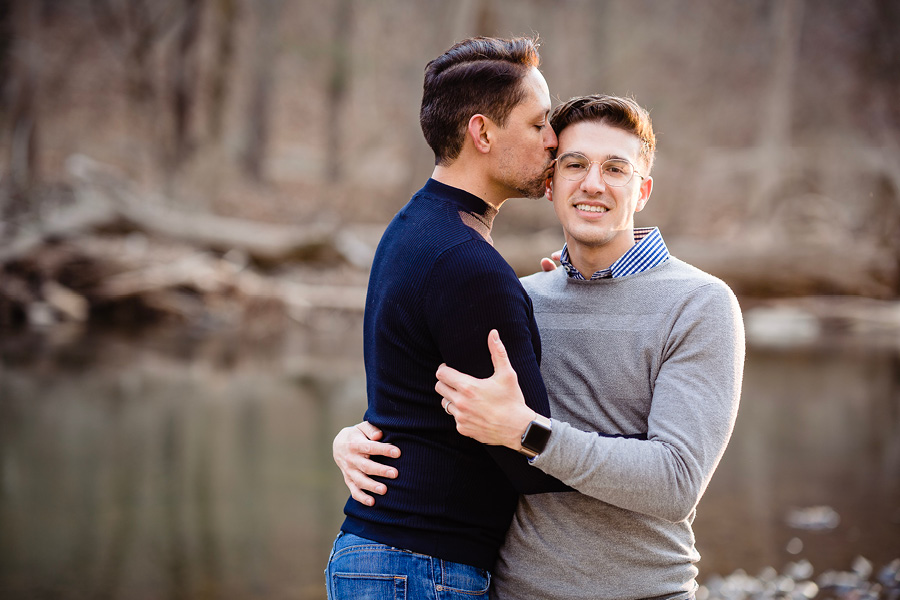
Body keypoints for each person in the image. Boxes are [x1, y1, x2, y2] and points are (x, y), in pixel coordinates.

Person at [335, 94, 746, 600]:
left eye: (615, 169)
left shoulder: (700, 304)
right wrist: (355, 438)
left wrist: (531, 435)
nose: (592, 183)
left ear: (643, 190)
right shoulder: (520, 295)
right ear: (550, 182)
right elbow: (444, 410)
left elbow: (676, 482)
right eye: (575, 164)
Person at [324, 36, 572, 600]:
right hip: (422, 564)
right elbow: (534, 463)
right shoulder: (466, 265)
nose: (554, 142)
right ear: (482, 133)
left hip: (390, 556)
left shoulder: (413, 227)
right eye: (538, 126)